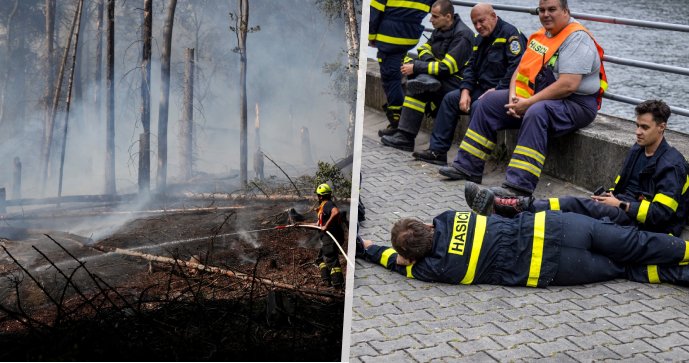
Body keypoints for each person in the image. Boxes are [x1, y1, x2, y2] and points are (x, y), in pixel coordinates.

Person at [438, 0, 608, 196]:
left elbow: (568, 85)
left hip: (575, 103)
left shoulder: (576, 38)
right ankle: (468, 167)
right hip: (540, 96)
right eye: (542, 10)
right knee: (486, 103)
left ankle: (518, 186)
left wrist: (528, 103)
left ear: (565, 11)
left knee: (537, 112)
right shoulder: (542, 35)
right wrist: (513, 96)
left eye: (552, 9)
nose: (545, 14)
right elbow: (520, 69)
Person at [465, 100, 689, 236]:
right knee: (571, 217)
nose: (638, 132)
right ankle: (506, 215)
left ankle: (515, 206)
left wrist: (620, 204)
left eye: (645, 127)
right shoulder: (638, 149)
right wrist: (611, 196)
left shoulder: (672, 165)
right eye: (637, 125)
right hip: (624, 208)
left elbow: (661, 215)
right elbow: (624, 185)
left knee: (573, 203)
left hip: (647, 225)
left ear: (662, 127)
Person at [356, 210, 689, 287]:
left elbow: (395, 261)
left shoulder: (431, 269)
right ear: (427, 227)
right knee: (636, 243)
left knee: (625, 269)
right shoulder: (446, 218)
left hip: (554, 267)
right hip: (559, 226)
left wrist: (371, 249)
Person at [413, 3, 527, 165]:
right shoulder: (479, 39)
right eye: (475, 23)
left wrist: (497, 90)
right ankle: (437, 151)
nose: (478, 26)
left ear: (494, 17)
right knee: (450, 99)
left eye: (482, 21)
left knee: (478, 106)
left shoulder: (511, 36)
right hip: (482, 88)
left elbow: (517, 70)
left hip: (503, 92)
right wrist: (465, 91)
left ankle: (472, 163)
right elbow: (470, 68)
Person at [379, 0, 474, 149]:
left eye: (435, 17)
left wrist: (417, 67)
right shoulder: (440, 29)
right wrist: (427, 64)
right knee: (414, 77)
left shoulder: (463, 35)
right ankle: (404, 135)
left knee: (418, 84)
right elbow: (423, 49)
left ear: (448, 16)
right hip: (438, 76)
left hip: (455, 82)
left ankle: (405, 137)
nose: (430, 20)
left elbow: (446, 67)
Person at [369, 0, 436, 132]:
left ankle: (396, 122)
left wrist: (371, 36)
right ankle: (400, 120)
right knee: (397, 76)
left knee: (391, 80)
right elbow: (437, 7)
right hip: (410, 38)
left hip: (389, 37)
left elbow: (375, 12)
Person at [311, 183, 345, 288]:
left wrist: (326, 225)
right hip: (328, 237)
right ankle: (326, 281)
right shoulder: (323, 207)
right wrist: (300, 224)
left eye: (318, 195)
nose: (318, 198)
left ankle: (338, 285)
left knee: (331, 259)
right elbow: (318, 224)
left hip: (330, 237)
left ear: (320, 196)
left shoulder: (328, 204)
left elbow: (336, 212)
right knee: (320, 259)